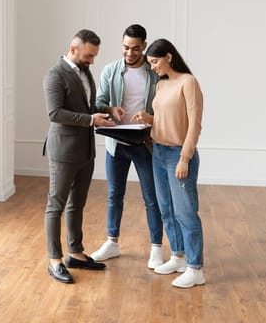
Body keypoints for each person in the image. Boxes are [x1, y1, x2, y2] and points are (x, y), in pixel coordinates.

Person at [90, 24, 166, 269]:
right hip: (116, 143)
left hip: (144, 143)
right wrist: (110, 109)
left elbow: (166, 108)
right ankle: (112, 242)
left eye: (135, 48)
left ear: (144, 46)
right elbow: (99, 101)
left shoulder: (155, 74)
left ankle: (156, 248)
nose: (130, 53)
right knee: (114, 195)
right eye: (125, 47)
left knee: (151, 197)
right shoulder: (111, 71)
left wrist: (154, 125)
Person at [43, 29, 115, 283]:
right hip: (63, 151)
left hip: (85, 150)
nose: (92, 61)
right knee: (56, 205)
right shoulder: (55, 75)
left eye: (94, 56)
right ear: (73, 49)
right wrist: (90, 120)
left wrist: (106, 110)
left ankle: (75, 253)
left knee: (77, 204)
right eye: (88, 55)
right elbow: (55, 113)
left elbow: (86, 107)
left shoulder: (85, 72)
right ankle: (55, 260)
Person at [133, 38, 205, 288]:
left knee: (185, 212)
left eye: (155, 61)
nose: (152, 67)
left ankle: (196, 268)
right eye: (150, 63)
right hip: (158, 152)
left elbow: (194, 125)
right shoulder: (162, 85)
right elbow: (166, 119)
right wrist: (149, 119)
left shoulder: (189, 82)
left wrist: (185, 158)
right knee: (166, 209)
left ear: (169, 57)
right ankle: (178, 256)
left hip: (178, 154)